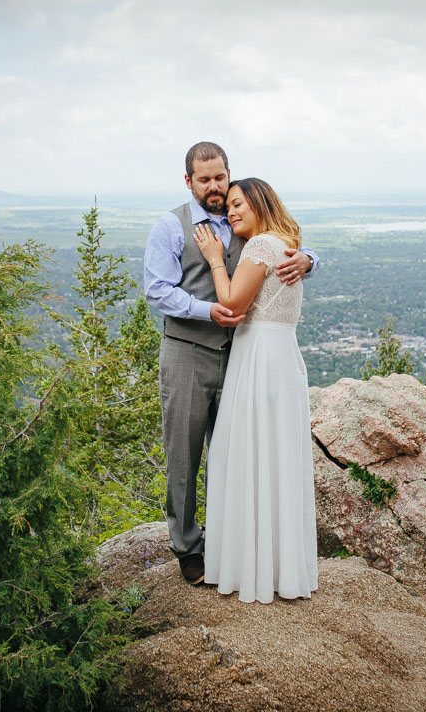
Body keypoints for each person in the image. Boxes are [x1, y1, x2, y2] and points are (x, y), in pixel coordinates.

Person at [144, 142, 317, 585]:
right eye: (204, 180)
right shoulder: (171, 226)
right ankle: (186, 548)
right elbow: (157, 290)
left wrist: (310, 259)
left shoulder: (244, 222)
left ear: (228, 175)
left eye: (220, 177)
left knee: (233, 454)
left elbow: (279, 247)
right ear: (189, 182)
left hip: (242, 359)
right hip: (187, 353)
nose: (215, 187)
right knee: (183, 455)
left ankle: (227, 542)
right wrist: (207, 312)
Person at [191, 178, 318, 603]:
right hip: (280, 356)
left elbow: (230, 303)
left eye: (238, 204)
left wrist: (213, 258)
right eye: (228, 207)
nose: (231, 212)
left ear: (260, 203)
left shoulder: (261, 246)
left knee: (248, 455)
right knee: (276, 459)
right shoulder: (285, 243)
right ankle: (279, 567)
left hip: (260, 357)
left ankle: (250, 567)